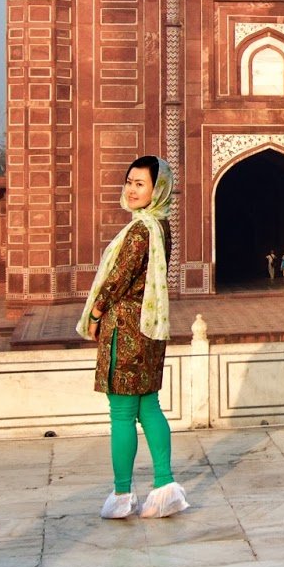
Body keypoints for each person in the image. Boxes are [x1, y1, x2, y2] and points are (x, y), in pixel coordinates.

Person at [78, 155, 188, 520]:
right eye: (129, 181)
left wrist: (94, 313)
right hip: (149, 326)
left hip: (125, 327)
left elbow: (117, 279)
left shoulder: (141, 230)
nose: (131, 189)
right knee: (148, 406)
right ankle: (165, 487)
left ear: (157, 189)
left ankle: (122, 494)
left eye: (140, 183)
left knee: (122, 414)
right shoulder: (160, 224)